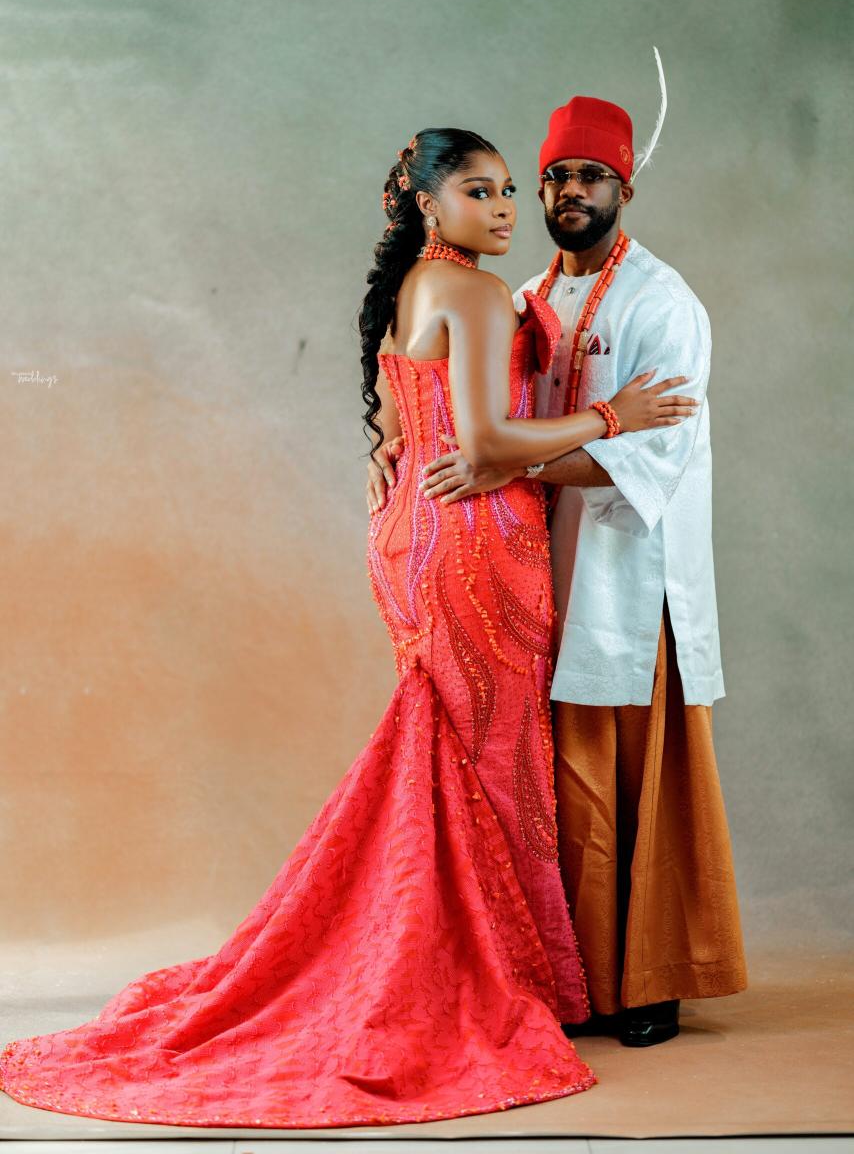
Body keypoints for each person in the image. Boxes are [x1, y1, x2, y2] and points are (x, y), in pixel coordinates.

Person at [0, 129, 696, 1131]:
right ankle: (500, 977)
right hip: (473, 542)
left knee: (451, 756)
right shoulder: (471, 292)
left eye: (510, 190)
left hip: (414, 533)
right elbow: (488, 442)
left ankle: (478, 960)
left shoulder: (418, 287)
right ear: (426, 203)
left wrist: (394, 462)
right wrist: (615, 415)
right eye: (480, 191)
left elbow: (405, 434)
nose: (506, 207)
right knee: (496, 764)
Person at [372, 95, 749, 1049]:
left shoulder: (662, 302)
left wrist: (505, 464)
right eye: (552, 178)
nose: (563, 192)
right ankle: (565, 974)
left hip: (626, 567)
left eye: (590, 176)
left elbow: (658, 450)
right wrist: (399, 447)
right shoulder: (526, 288)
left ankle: (651, 980)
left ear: (626, 188)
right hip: (523, 563)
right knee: (556, 778)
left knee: (638, 772)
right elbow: (453, 409)